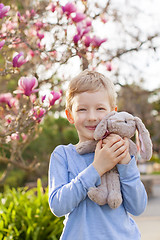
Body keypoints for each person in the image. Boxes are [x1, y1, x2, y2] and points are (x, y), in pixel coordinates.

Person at [48, 70, 147, 240]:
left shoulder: (120, 150)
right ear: (70, 115)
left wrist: (125, 164)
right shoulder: (62, 155)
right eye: (82, 109)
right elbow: (58, 206)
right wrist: (97, 168)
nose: (92, 117)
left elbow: (138, 207)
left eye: (100, 108)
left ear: (113, 112)